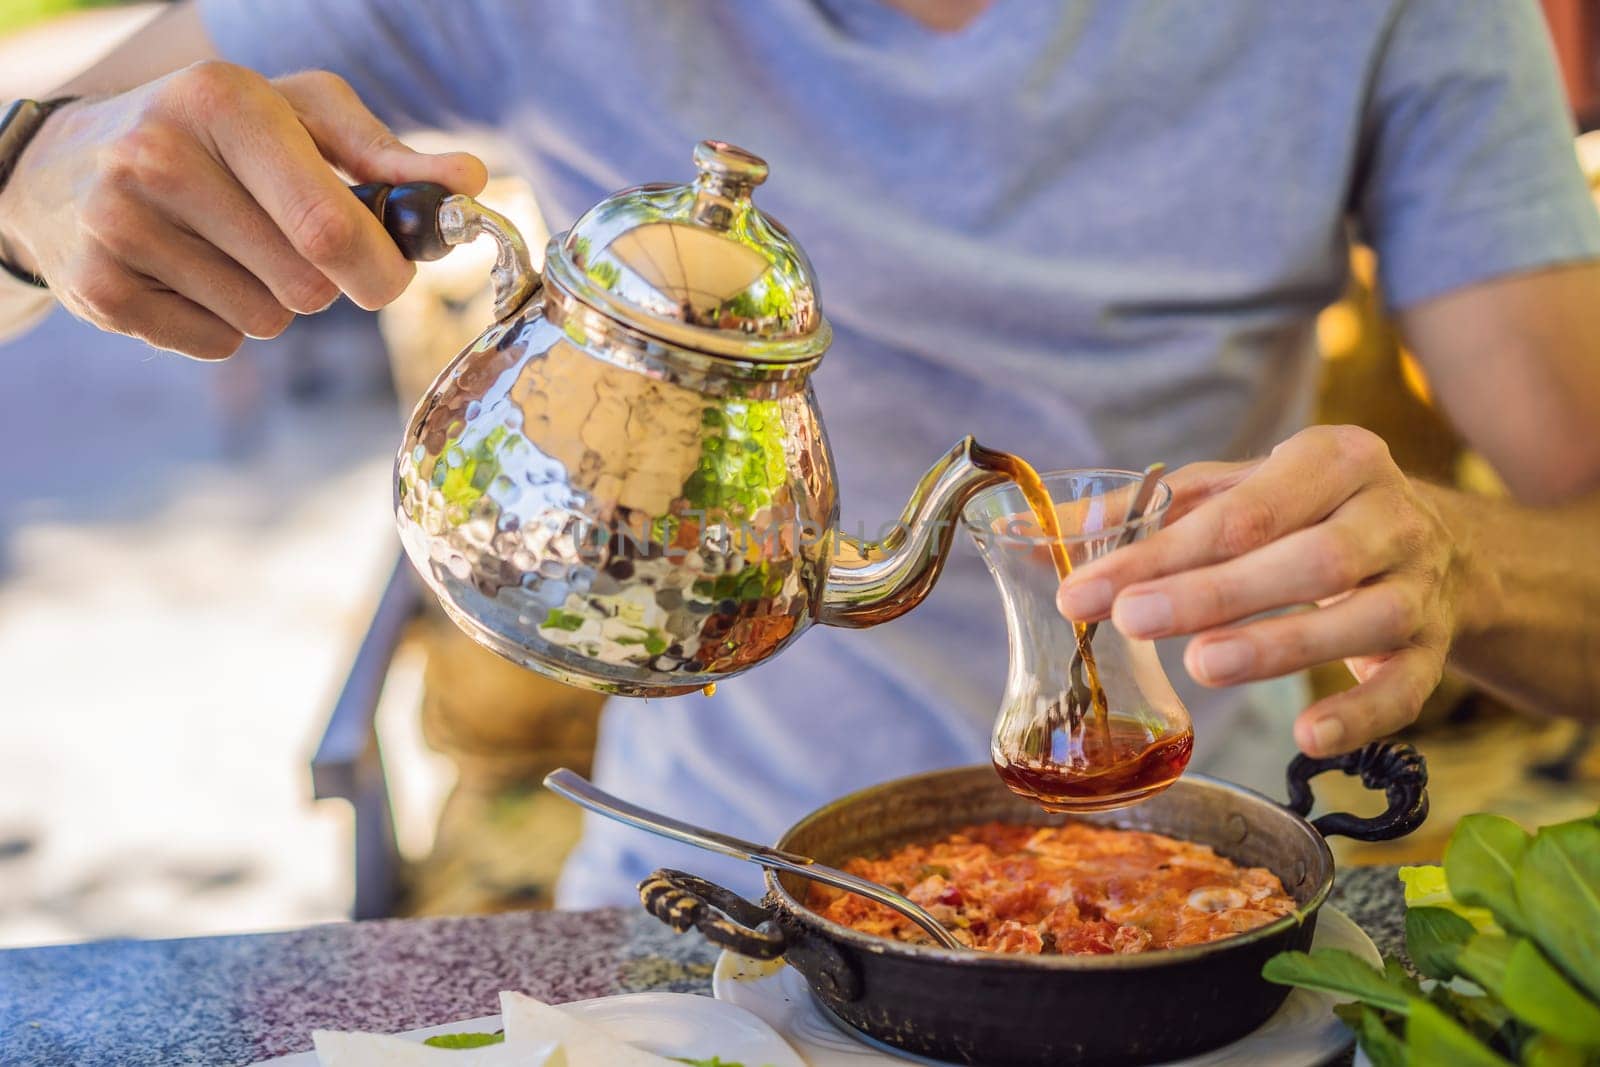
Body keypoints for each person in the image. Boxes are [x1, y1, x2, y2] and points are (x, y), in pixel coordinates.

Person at [1, 0, 1597, 906]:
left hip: (1182, 910)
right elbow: (62, 121)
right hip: (699, 910)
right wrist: (37, 177)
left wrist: (1461, 560)